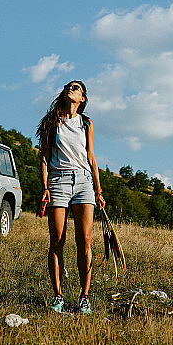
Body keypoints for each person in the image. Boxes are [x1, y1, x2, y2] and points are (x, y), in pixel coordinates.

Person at [37, 80, 105, 314]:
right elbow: (44, 157)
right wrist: (44, 187)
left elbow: (91, 156)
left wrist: (98, 189)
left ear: (82, 98)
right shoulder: (51, 123)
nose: (70, 88)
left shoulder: (86, 123)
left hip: (84, 181)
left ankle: (84, 297)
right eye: (68, 86)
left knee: (84, 240)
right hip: (57, 181)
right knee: (57, 241)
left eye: (76, 88)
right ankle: (58, 296)